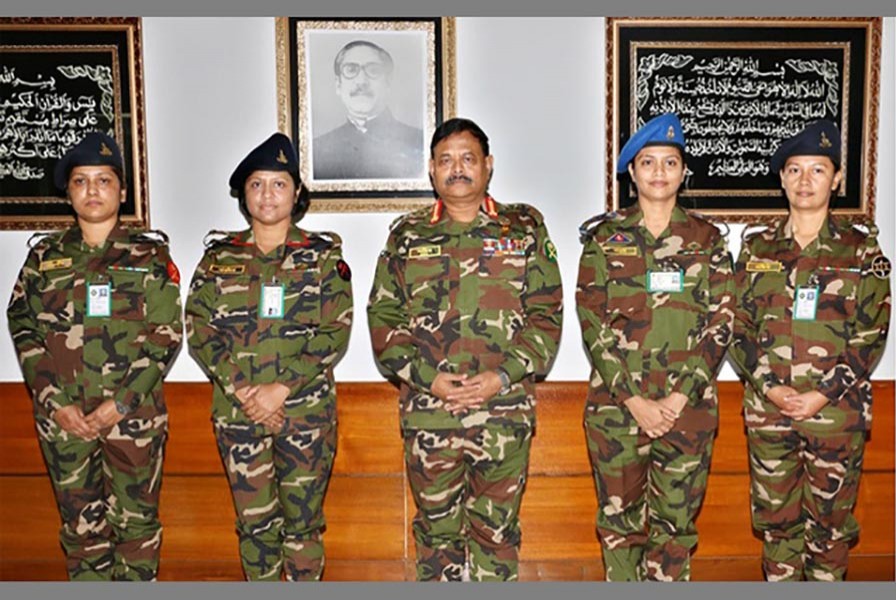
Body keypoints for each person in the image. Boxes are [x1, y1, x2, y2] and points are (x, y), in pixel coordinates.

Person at [367, 117, 563, 581]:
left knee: (496, 535)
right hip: (430, 414)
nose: (457, 169)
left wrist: (501, 376)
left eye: (468, 158)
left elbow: (546, 314)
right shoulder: (407, 235)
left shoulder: (525, 227)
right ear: (431, 169)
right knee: (437, 538)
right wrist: (429, 380)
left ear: (488, 165)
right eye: (446, 160)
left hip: (503, 412)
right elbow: (384, 319)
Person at [6, 132, 183, 580]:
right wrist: (56, 403)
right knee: (81, 531)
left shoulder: (150, 255)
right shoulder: (44, 257)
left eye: (104, 180)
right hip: (63, 420)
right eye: (81, 181)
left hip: (133, 420)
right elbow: (22, 326)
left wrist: (118, 405)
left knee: (137, 528)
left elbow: (165, 336)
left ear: (122, 192)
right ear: (68, 193)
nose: (92, 190)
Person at [185, 132, 352, 581]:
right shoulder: (219, 259)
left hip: (305, 415)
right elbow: (199, 327)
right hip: (238, 413)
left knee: (303, 527)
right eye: (256, 184)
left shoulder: (323, 258)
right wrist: (245, 392)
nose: (267, 194)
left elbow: (335, 330)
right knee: (255, 527)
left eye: (279, 184)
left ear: (296, 193)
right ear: (243, 194)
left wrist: (281, 389)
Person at [576, 113, 735, 581]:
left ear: (684, 172)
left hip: (688, 410)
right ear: (632, 172)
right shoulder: (605, 240)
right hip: (617, 410)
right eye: (648, 162)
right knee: (619, 527)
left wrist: (678, 398)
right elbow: (592, 322)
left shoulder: (708, 241)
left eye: (670, 162)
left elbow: (722, 321)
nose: (659, 172)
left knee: (675, 529)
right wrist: (635, 401)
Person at [729, 120, 891, 581]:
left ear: (836, 179)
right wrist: (771, 389)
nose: (805, 180)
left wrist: (820, 395)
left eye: (818, 170)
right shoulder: (757, 249)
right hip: (770, 415)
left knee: (830, 534)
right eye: (795, 169)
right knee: (778, 531)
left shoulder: (862, 252)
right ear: (782, 178)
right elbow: (737, 327)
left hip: (835, 417)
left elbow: (871, 334)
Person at [312, 39, 424, 180]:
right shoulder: (317, 150)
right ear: (338, 85)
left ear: (388, 83)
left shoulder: (419, 143)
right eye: (351, 70)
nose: (361, 81)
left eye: (373, 70)